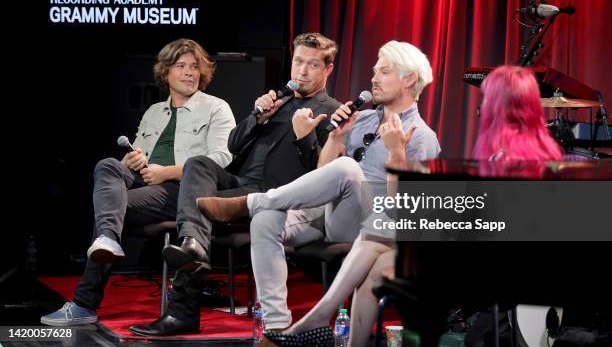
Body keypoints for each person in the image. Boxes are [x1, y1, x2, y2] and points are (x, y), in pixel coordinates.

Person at [268, 66, 564, 347]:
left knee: (377, 232)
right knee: (375, 263)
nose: (482, 105)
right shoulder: (536, 151)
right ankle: (338, 334)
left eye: (488, 99)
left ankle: (317, 320)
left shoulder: (512, 158)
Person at [199, 40, 441, 344]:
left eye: (384, 72)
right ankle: (276, 329)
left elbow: (405, 213)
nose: (374, 79)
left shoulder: (422, 137)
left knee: (349, 170)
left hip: (372, 225)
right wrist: (335, 140)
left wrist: (396, 155)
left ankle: (250, 202)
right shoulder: (362, 119)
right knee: (266, 220)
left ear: (408, 80)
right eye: (374, 72)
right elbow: (323, 175)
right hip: (332, 212)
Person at [129, 32, 342, 336]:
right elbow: (233, 144)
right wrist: (257, 116)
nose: (302, 71)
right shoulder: (278, 101)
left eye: (312, 65)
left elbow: (325, 174)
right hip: (240, 182)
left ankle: (183, 309)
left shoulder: (331, 110)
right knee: (198, 163)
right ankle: (192, 246)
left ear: (327, 70)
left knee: (199, 207)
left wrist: (304, 136)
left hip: (274, 195)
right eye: (298, 62)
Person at [40, 39, 235, 326]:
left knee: (109, 210)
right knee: (109, 166)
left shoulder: (216, 108)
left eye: (195, 67)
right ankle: (107, 239)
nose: (189, 73)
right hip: (146, 184)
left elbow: (221, 159)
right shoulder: (154, 112)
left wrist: (166, 172)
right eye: (181, 66)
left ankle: (84, 303)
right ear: (166, 72)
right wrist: (131, 163)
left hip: (183, 192)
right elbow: (134, 159)